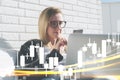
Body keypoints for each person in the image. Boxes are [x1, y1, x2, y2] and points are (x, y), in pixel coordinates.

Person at [18, 6, 67, 80]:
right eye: (54, 23)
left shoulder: (64, 47)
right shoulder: (32, 46)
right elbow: (25, 75)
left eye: (60, 23)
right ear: (44, 25)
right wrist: (55, 53)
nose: (58, 28)